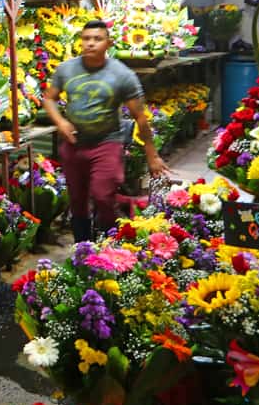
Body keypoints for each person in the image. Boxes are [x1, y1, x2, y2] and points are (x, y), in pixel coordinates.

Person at [43, 19, 169, 242]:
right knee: (77, 200)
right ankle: (83, 248)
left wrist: (152, 155)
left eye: (97, 39)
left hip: (107, 143)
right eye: (86, 39)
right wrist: (61, 122)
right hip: (73, 145)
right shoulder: (66, 69)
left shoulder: (122, 75)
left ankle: (109, 241)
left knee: (103, 196)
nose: (90, 43)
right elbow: (49, 99)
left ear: (108, 43)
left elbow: (140, 117)